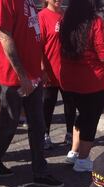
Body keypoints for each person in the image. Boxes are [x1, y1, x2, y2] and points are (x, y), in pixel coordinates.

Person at [0, 0, 63, 187]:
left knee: (38, 124)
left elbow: (31, 33)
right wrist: (22, 76)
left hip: (32, 73)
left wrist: (39, 68)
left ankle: (40, 171)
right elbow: (4, 35)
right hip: (13, 76)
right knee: (9, 124)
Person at [59, 0, 104, 172]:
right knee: (90, 120)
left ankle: (75, 152)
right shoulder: (96, 23)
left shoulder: (65, 22)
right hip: (94, 82)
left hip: (69, 81)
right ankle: (83, 159)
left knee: (81, 116)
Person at [38, 0, 75, 150]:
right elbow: (38, 45)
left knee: (70, 104)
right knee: (47, 104)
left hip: (66, 70)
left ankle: (69, 133)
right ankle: (45, 134)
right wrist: (42, 70)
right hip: (50, 71)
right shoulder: (42, 16)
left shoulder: (66, 16)